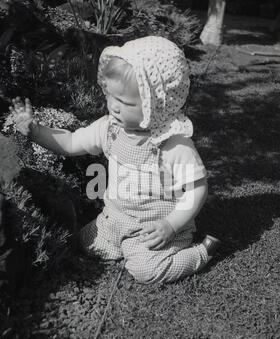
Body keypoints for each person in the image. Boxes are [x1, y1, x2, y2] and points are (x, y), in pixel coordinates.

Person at [10, 36, 220, 284]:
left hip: (154, 228)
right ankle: (123, 244)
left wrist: (171, 225)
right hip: (115, 219)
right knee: (84, 243)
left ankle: (202, 251)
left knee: (145, 271)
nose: (114, 107)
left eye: (125, 102)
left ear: (157, 104)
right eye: (111, 96)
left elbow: (197, 189)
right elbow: (71, 143)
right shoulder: (109, 128)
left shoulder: (172, 144)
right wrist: (36, 131)